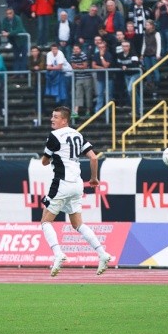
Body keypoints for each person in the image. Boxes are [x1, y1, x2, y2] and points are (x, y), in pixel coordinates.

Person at [41, 105, 112, 277]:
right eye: (52, 116)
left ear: (64, 120)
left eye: (56, 117)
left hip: (61, 182)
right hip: (77, 184)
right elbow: (94, 157)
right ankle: (102, 253)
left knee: (45, 221)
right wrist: (94, 178)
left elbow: (44, 161)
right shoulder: (78, 134)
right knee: (78, 224)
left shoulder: (54, 136)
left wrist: (51, 158)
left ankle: (58, 254)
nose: (52, 119)